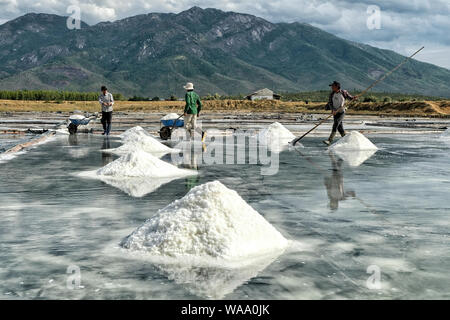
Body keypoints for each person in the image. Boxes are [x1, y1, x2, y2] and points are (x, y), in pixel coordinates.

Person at [323, 81, 357, 146]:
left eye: (333, 86)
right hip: (335, 112)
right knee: (339, 127)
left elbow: (350, 98)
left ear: (336, 87)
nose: (332, 87)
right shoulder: (331, 94)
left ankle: (329, 140)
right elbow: (330, 103)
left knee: (336, 123)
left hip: (341, 111)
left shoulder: (344, 92)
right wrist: (333, 110)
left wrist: (354, 98)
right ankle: (346, 140)